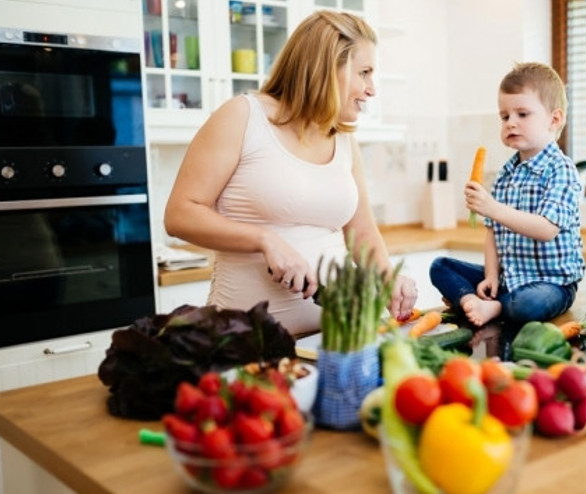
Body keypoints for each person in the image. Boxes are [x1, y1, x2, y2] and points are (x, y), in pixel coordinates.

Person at [164, 10, 417, 336]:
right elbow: (180, 214)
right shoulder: (242, 116)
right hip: (245, 341)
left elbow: (362, 232)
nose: (371, 89)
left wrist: (387, 277)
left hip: (333, 341)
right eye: (364, 72)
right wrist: (265, 239)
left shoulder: (342, 137)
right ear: (327, 68)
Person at [430, 62, 585, 328]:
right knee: (440, 266)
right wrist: (490, 276)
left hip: (551, 283)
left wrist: (491, 208)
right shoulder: (506, 173)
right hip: (508, 278)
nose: (511, 123)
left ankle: (495, 306)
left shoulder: (561, 170)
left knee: (527, 304)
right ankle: (475, 300)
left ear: (554, 119)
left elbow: (546, 229)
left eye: (522, 114)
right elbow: (493, 232)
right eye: (505, 116)